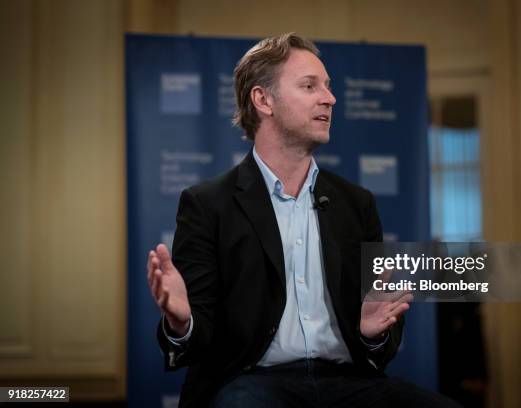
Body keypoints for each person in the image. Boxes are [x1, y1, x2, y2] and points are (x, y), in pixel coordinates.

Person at [147, 32, 459, 408]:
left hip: (347, 381)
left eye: (327, 87)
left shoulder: (356, 204)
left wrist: (373, 335)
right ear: (263, 100)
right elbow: (196, 341)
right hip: (252, 383)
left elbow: (381, 345)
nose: (329, 98)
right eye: (310, 86)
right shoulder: (207, 204)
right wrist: (182, 322)